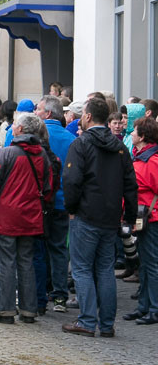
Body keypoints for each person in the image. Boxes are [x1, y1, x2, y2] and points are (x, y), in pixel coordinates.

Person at [62, 96, 138, 337]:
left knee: (82, 269)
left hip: (86, 214)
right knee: (105, 269)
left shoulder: (81, 144)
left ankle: (86, 320)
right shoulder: (120, 147)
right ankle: (106, 324)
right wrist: (129, 215)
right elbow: (130, 184)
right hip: (110, 215)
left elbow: (72, 181)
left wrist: (71, 208)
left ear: (86, 117)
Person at [0, 112, 54, 324]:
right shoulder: (42, 156)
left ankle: (5, 309)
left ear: (20, 130)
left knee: (6, 264)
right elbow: (48, 189)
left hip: (6, 217)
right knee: (26, 262)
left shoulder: (6, 154)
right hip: (30, 217)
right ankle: (29, 310)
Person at [35, 94, 77, 311]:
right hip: (63, 202)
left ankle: (40, 294)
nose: (35, 113)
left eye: (38, 110)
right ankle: (60, 296)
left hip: (42, 202)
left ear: (48, 113)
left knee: (39, 249)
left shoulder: (37, 137)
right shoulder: (72, 139)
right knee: (60, 249)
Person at [124, 116, 158, 325]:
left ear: (142, 136)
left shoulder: (152, 160)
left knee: (151, 264)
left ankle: (153, 308)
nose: (132, 134)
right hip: (144, 216)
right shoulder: (142, 157)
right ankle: (144, 306)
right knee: (145, 263)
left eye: (135, 131)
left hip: (152, 217)